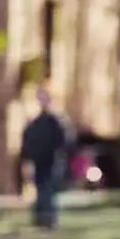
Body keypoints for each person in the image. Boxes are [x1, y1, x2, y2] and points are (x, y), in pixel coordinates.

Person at [19, 86, 73, 229]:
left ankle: (48, 220)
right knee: (40, 189)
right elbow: (27, 142)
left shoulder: (56, 121)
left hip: (52, 161)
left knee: (47, 191)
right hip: (38, 161)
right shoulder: (34, 122)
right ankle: (40, 219)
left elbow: (64, 141)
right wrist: (27, 159)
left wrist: (60, 157)